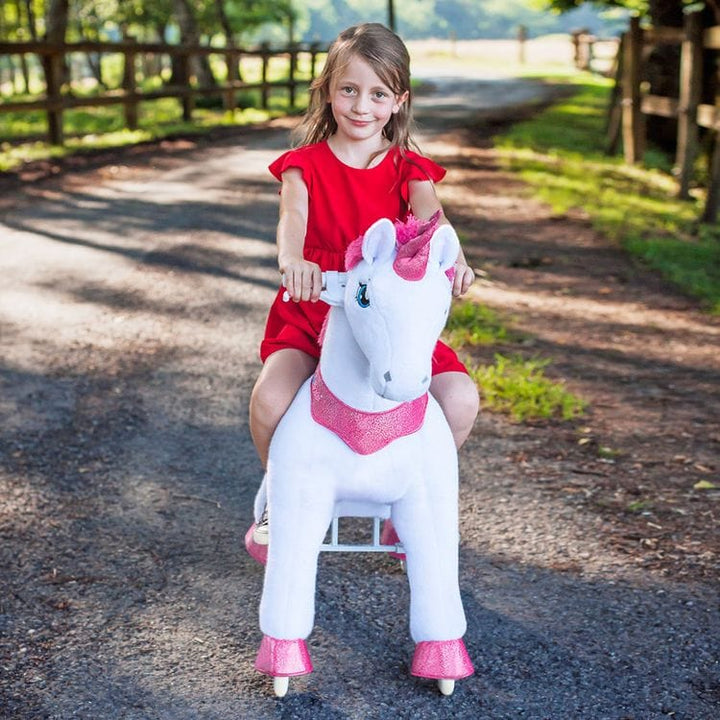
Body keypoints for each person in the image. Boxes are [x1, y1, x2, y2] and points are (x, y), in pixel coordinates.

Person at [247, 22, 479, 547]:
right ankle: (280, 493)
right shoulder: (303, 166)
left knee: (461, 399)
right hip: (315, 309)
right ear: (328, 91)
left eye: (378, 94)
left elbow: (435, 223)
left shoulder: (409, 170)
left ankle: (412, 499)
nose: (361, 106)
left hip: (387, 322)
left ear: (398, 101)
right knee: (270, 399)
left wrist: (458, 261)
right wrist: (292, 260)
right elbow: (292, 219)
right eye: (348, 89)